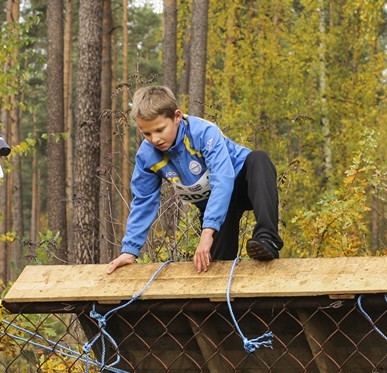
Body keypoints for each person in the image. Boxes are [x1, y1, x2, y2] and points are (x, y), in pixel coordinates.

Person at [107, 85, 284, 275]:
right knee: (215, 269)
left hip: (244, 183)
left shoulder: (203, 132)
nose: (155, 139)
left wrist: (208, 232)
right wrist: (130, 250)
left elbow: (222, 180)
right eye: (147, 133)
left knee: (259, 158)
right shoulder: (147, 156)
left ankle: (267, 238)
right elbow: (143, 201)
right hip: (216, 205)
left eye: (159, 129)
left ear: (176, 116)